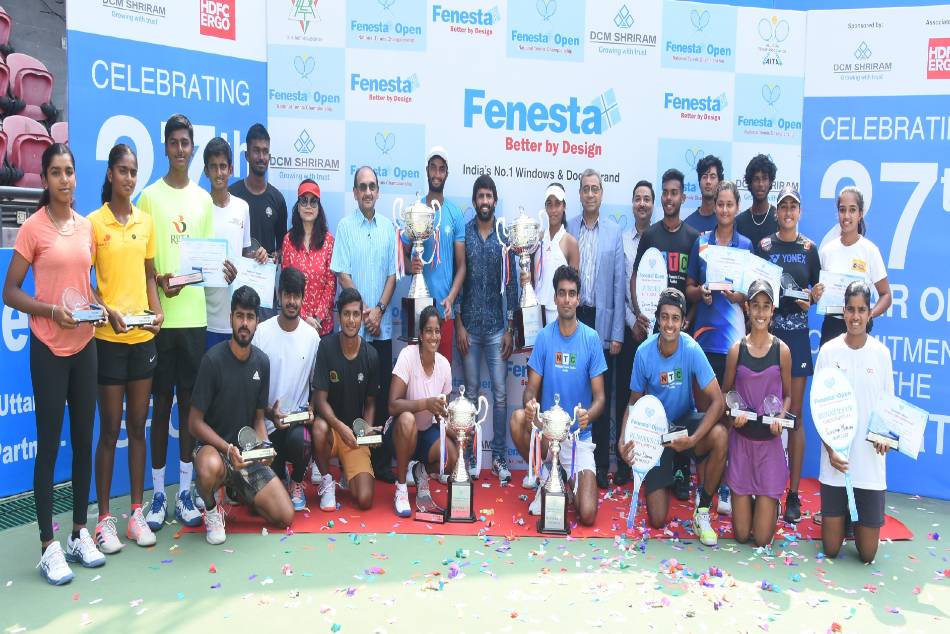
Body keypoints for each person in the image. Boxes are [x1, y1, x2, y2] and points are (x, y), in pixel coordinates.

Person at [3, 144, 106, 583]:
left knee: (83, 441)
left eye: (70, 171)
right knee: (48, 446)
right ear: (44, 179)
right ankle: (48, 544)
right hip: (47, 348)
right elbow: (11, 292)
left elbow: (86, 285)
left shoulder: (86, 228)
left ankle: (79, 533)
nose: (65, 179)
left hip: (86, 345)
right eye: (57, 173)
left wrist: (101, 308)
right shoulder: (33, 229)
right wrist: (49, 311)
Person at [136, 114, 214, 531]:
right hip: (159, 321)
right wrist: (159, 283)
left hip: (194, 319)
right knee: (160, 403)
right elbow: (144, 261)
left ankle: (184, 492)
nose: (180, 149)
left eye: (186, 143)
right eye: (174, 142)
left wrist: (193, 276)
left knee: (188, 408)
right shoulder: (149, 197)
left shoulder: (203, 200)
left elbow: (206, 263)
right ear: (165, 146)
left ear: (192, 148)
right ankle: (157, 496)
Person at [90, 144, 163, 553]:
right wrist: (106, 310)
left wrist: (156, 311)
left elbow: (150, 275)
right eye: (122, 170)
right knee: (109, 431)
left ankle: (136, 514)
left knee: (137, 428)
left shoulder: (145, 222)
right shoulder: (93, 223)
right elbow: (84, 283)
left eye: (133, 171)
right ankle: (104, 520)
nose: (129, 178)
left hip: (141, 339)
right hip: (107, 339)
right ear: (110, 173)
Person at [618, 288, 727, 546]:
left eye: (675, 318)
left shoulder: (691, 348)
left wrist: (693, 439)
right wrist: (622, 441)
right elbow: (633, 402)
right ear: (657, 319)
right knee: (657, 519)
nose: (669, 324)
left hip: (685, 425)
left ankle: (702, 510)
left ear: (683, 322)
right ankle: (667, 474)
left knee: (720, 435)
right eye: (665, 317)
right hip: (657, 433)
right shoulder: (643, 352)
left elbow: (718, 401)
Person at [190, 286, 294, 545]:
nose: (244, 323)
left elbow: (259, 418)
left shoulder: (262, 362)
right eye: (239, 316)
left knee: (284, 516)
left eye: (249, 317)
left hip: (247, 457)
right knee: (209, 468)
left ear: (257, 321)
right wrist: (227, 449)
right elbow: (194, 423)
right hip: (216, 451)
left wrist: (264, 447)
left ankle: (239, 490)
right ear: (231, 319)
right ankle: (211, 508)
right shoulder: (212, 361)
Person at [509, 265, 606, 526]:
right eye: (561, 293)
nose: (566, 299)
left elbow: (600, 398)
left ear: (578, 299)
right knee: (518, 419)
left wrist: (588, 415)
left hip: (577, 438)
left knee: (587, 514)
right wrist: (530, 403)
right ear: (554, 298)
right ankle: (547, 477)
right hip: (548, 433)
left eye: (571, 294)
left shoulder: (591, 338)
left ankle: (564, 478)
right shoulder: (544, 337)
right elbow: (531, 388)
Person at [632, 168, 700, 501]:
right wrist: (640, 312)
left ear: (683, 197)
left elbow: (696, 285)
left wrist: (689, 321)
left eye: (675, 193)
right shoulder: (650, 235)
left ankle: (682, 470)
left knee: (683, 400)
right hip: (655, 330)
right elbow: (636, 277)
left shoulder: (693, 237)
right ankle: (652, 459)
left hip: (681, 330)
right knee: (654, 396)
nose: (670, 198)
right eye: (666, 192)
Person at [754, 185, 820, 523]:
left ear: (800, 212)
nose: (788, 212)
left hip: (797, 339)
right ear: (776, 212)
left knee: (794, 418)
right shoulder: (765, 246)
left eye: (793, 206)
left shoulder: (810, 249)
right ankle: (759, 487)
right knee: (763, 411)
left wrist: (813, 297)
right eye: (783, 207)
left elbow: (818, 293)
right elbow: (755, 289)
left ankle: (792, 494)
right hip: (767, 335)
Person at [815, 281, 894, 563]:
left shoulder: (882, 354)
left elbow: (887, 409)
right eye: (851, 309)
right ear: (843, 311)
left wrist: (885, 438)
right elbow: (819, 409)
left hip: (870, 466)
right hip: (836, 465)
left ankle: (854, 515)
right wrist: (831, 451)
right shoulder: (828, 351)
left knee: (867, 554)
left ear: (870, 312)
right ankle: (843, 514)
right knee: (831, 549)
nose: (856, 316)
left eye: (862, 310)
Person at [330, 166, 397, 483]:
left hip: (380, 328)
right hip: (354, 329)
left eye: (372, 186)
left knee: (379, 398)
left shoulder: (388, 229)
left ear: (378, 191)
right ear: (355, 193)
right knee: (350, 397)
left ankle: (379, 462)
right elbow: (342, 273)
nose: (368, 192)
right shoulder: (344, 227)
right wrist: (363, 313)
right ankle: (348, 461)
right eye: (362, 187)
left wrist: (379, 310)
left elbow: (393, 275)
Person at [457, 174, 519, 484]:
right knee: (470, 395)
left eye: (489, 196)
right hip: (468, 328)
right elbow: (458, 278)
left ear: (494, 201)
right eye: (480, 196)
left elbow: (512, 283)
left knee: (500, 395)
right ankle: (468, 457)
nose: (484, 201)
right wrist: (458, 324)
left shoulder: (505, 236)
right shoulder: (465, 233)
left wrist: (510, 328)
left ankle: (498, 458)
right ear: (474, 201)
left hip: (497, 329)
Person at [720, 280, 792, 547]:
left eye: (766, 306)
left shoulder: (782, 351)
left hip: (769, 447)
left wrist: (780, 416)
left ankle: (770, 504)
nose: (760, 313)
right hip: (742, 446)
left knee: (761, 539)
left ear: (772, 310)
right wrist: (733, 414)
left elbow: (788, 395)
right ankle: (752, 503)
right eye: (755, 306)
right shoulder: (735, 350)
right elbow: (726, 393)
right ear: (747, 309)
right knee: (741, 536)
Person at [566, 169, 625, 490]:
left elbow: (618, 286)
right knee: (577, 390)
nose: (590, 194)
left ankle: (600, 465)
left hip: (601, 324)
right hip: (573, 319)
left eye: (595, 189)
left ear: (601, 194)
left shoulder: (614, 232)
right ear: (579, 194)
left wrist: (617, 333)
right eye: (585, 189)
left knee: (601, 396)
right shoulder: (569, 227)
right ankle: (569, 459)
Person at [253, 267, 321, 512]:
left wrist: (312, 409)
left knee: (302, 441)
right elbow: (252, 388)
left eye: (297, 296)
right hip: (266, 426)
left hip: (296, 427)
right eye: (287, 295)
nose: (292, 302)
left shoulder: (312, 338)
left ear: (303, 298)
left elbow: (317, 387)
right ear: (279, 295)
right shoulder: (261, 333)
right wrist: (269, 412)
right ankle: (278, 471)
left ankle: (297, 481)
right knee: (257, 503)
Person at [311, 288, 380, 511]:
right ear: (339, 316)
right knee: (318, 428)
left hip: (354, 437)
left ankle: (347, 471)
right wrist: (340, 427)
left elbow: (370, 403)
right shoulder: (326, 347)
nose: (351, 320)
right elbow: (320, 400)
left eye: (356, 314)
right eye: (346, 314)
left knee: (365, 500)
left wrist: (366, 430)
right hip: (332, 431)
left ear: (362, 316)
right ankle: (326, 480)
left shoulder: (371, 355)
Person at [385, 305, 457, 517]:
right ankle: (401, 488)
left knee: (451, 456)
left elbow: (442, 416)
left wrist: (458, 434)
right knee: (407, 419)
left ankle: (421, 472)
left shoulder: (444, 365)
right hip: (399, 432)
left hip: (426, 432)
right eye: (428, 331)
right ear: (420, 334)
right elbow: (393, 405)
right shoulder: (407, 355)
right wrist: (425, 404)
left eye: (437, 331)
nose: (433, 336)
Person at [685, 181, 752, 383]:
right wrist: (701, 292)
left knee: (730, 398)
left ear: (737, 207)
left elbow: (751, 293)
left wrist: (737, 297)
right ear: (714, 206)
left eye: (729, 205)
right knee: (704, 398)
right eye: (720, 204)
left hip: (734, 336)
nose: (724, 210)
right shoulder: (701, 242)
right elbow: (688, 289)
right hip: (704, 336)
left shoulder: (746, 245)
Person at [203, 136, 266, 349]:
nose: (219, 173)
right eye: (213, 167)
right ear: (206, 171)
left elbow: (245, 253)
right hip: (206, 316)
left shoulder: (242, 207)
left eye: (223, 166)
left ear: (230, 169)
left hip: (236, 318)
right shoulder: (199, 208)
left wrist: (259, 256)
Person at [405, 147, 466, 360]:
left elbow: (462, 265)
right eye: (433, 168)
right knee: (415, 372)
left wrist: (451, 297)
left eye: (441, 169)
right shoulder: (415, 210)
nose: (437, 174)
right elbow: (401, 258)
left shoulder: (455, 214)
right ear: (427, 171)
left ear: (446, 173)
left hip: (443, 310)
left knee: (442, 372)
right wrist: (410, 266)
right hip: (417, 311)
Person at [812, 186, 892, 346]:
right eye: (842, 210)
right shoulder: (827, 251)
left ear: (860, 214)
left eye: (852, 210)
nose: (847, 216)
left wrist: (869, 315)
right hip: (831, 327)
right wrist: (815, 295)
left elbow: (886, 295)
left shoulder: (870, 251)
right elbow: (818, 294)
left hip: (859, 328)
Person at [614, 180, 654, 487]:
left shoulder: (659, 238)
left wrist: (651, 325)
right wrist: (633, 323)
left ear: (652, 205)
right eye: (637, 198)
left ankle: (652, 461)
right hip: (630, 329)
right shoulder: (622, 240)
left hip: (659, 332)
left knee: (654, 398)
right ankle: (624, 464)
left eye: (647, 199)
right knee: (626, 398)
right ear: (632, 204)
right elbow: (620, 288)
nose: (642, 203)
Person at [281, 179, 336, 336]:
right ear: (298, 206)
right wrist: (304, 317)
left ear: (319, 207)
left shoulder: (329, 241)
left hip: (322, 326)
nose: (308, 206)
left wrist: (317, 318)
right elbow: (287, 283)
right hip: (295, 322)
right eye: (304, 201)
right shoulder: (288, 240)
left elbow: (331, 284)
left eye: (313, 201)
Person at [229, 123, 288, 261]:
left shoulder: (278, 199)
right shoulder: (231, 195)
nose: (261, 157)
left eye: (265, 151)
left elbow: (282, 247)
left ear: (269, 156)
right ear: (246, 155)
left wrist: (276, 256)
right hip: (236, 274)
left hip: (266, 274)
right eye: (256, 151)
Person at [535, 182, 579, 326]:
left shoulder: (570, 242)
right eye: (549, 204)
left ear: (564, 206)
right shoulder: (537, 239)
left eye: (557, 204)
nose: (553, 210)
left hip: (558, 314)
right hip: (535, 312)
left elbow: (574, 287)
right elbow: (532, 279)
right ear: (545, 207)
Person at [735, 154, 778, 247]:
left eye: (764, 178)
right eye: (756, 179)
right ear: (750, 183)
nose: (760, 184)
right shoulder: (739, 222)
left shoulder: (778, 219)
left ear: (770, 182)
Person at [685, 155, 723, 234]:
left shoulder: (727, 222)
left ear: (719, 182)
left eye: (712, 177)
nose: (708, 181)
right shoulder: (688, 225)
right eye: (705, 177)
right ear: (699, 182)